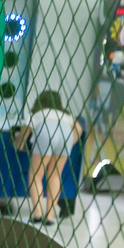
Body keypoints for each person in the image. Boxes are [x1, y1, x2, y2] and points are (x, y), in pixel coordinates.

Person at [17, 91, 82, 226]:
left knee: (35, 175)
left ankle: (37, 215)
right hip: (66, 135)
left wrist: (20, 145)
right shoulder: (66, 115)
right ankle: (50, 217)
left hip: (45, 133)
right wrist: (71, 142)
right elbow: (79, 129)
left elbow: (23, 135)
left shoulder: (36, 114)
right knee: (55, 175)